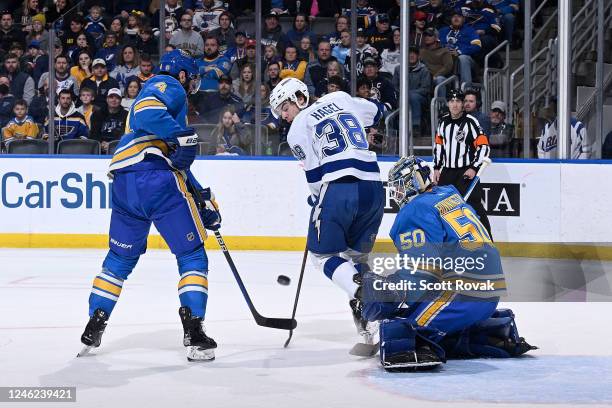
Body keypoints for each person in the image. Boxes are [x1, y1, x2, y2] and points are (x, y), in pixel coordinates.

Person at [79, 50, 221, 362]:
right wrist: (184, 135)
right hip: (154, 178)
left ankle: (95, 322)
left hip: (126, 181)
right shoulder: (166, 85)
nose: (191, 81)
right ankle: (194, 332)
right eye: (190, 75)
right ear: (182, 73)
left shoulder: (158, 115)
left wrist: (199, 198)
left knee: (119, 258)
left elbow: (174, 164)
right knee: (192, 254)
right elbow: (145, 113)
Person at [355, 155, 535, 370]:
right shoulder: (450, 195)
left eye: (400, 187)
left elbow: (421, 271)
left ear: (414, 182)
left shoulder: (415, 210)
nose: (397, 194)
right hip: (489, 292)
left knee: (400, 331)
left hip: (461, 293)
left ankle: (431, 343)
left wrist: (389, 290)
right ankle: (491, 335)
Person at [269, 77, 385, 345]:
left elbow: (314, 175)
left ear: (299, 97)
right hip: (373, 187)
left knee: (322, 255)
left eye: (284, 108)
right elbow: (376, 112)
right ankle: (371, 324)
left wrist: (318, 199)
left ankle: (364, 292)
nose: (284, 116)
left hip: (339, 188)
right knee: (355, 257)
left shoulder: (297, 128)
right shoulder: (340, 98)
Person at [433, 89, 492, 237]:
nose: (454, 104)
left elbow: (483, 146)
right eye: (452, 101)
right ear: (448, 103)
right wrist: (436, 168)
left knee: (474, 208)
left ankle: (488, 244)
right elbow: (439, 146)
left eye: (458, 101)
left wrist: (474, 167)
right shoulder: (443, 122)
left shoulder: (471, 122)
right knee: (443, 210)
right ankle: (447, 246)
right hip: (447, 173)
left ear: (462, 104)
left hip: (465, 173)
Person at [438, 10, 481, 87]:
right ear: (450, 19)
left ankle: (466, 90)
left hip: (467, 62)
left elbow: (477, 46)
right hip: (446, 61)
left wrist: (459, 51)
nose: (456, 18)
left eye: (459, 16)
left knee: (463, 58)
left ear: (464, 19)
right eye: (454, 16)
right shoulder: (443, 31)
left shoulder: (470, 30)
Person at [89, 88, 128, 153]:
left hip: (118, 147)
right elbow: (93, 133)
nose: (114, 100)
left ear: (121, 100)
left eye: (117, 98)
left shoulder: (126, 115)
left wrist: (112, 144)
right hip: (99, 147)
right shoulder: (97, 114)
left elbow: (126, 134)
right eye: (111, 97)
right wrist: (100, 142)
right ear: (107, 99)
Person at [420, 27, 454, 96]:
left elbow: (448, 66)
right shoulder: (421, 52)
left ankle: (441, 104)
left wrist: (436, 75)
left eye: (430, 35)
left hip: (442, 79)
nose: (427, 37)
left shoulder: (444, 50)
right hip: (426, 78)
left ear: (436, 38)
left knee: (439, 79)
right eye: (425, 35)